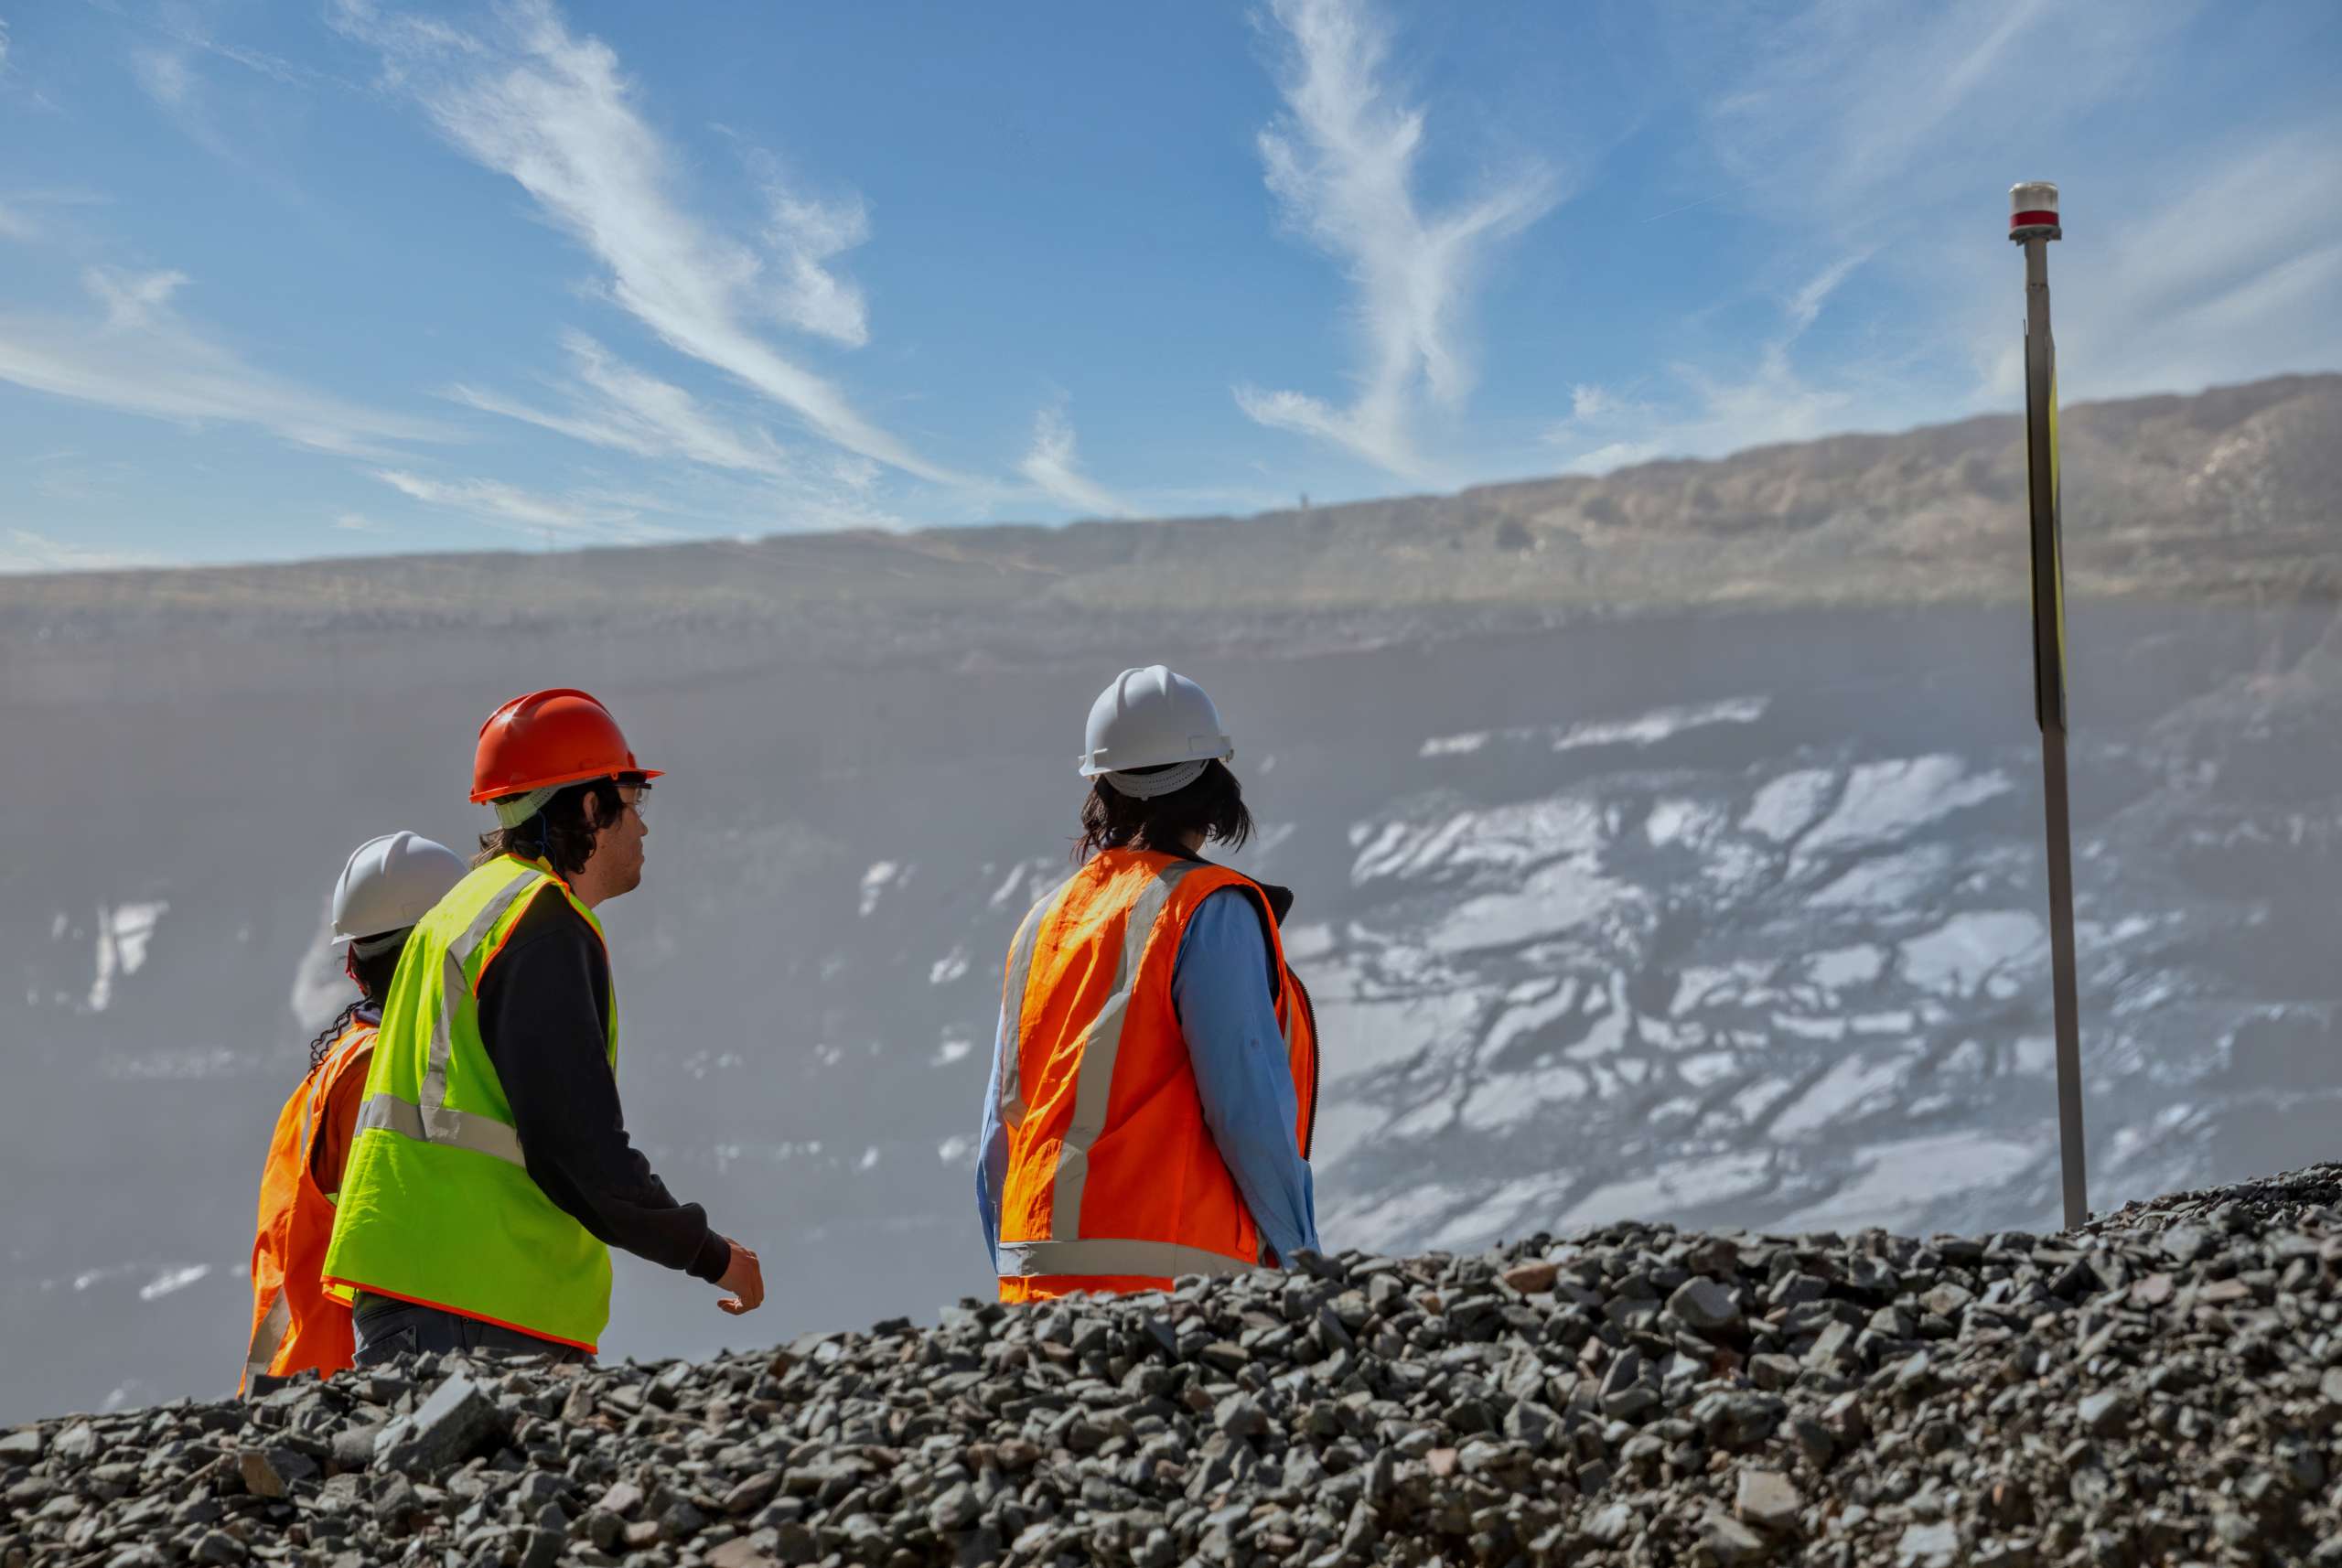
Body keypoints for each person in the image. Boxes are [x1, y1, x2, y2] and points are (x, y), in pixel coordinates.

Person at [322, 688, 763, 1365]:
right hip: (479, 1307)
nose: (642, 825)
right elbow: (577, 1151)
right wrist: (711, 1254)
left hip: (423, 1298)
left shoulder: (464, 907)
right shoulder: (539, 922)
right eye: (632, 797)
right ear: (591, 807)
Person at [976, 665, 1320, 1302]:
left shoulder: (1043, 924)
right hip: (1169, 1286)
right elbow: (1247, 1111)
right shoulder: (1206, 911)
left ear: (1102, 789)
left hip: (1031, 1283)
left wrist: (1016, 1273)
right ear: (1217, 788)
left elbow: (997, 1138)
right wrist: (1303, 1267)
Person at [240, 832, 466, 1393]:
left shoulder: (340, 1066)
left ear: (352, 965)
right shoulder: (380, 1070)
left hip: (298, 1370)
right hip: (344, 1380)